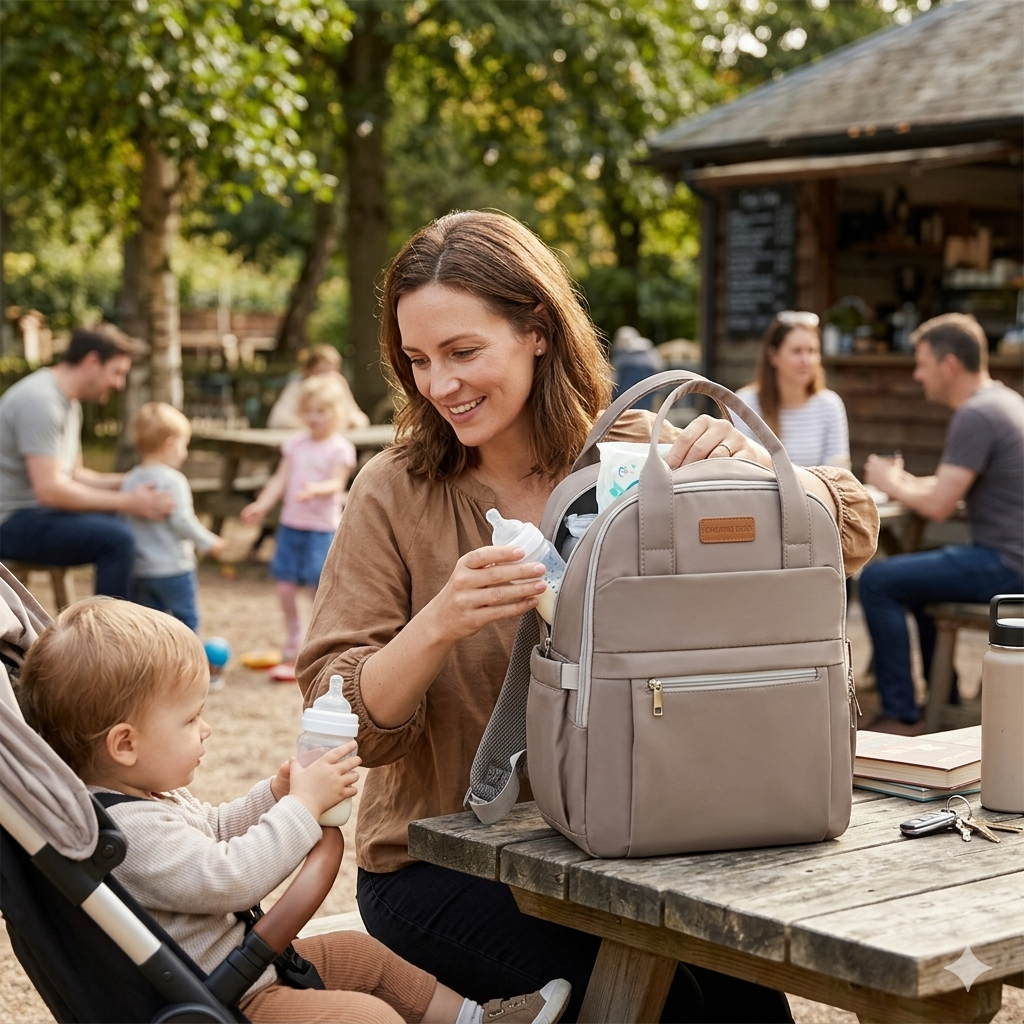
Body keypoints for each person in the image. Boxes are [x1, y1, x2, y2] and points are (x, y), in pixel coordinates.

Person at [295, 211, 879, 1023]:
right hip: (441, 867)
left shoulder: (635, 453)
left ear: (538, 329)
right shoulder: (393, 490)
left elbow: (852, 530)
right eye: (418, 360)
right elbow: (342, 724)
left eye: (464, 352)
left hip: (639, 841)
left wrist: (754, 472)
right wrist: (439, 623)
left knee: (754, 1006)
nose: (438, 385)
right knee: (684, 1011)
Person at [19, 597, 571, 1024]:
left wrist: (276, 794)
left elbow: (212, 832)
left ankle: (473, 1018)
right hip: (231, 1000)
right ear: (124, 744)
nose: (205, 728)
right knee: (368, 1018)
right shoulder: (126, 830)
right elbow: (228, 877)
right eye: (189, 721)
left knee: (363, 956)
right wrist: (303, 807)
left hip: (251, 972)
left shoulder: (146, 799)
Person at [861, 313, 1024, 735]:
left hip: (1006, 565)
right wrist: (902, 483)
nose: (917, 375)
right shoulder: (1004, 401)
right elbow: (951, 484)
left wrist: (887, 481)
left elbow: (937, 505)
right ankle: (943, 698)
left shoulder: (976, 414)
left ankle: (901, 714)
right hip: (1012, 558)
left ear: (949, 364)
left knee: (877, 581)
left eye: (922, 364)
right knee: (915, 582)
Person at [0, 327, 174, 599]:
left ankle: (142, 619)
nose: (119, 384)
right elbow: (50, 491)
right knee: (117, 540)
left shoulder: (69, 403)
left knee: (122, 523)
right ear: (93, 362)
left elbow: (75, 475)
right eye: (116, 372)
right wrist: (130, 501)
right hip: (9, 522)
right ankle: (109, 637)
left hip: (34, 514)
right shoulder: (41, 401)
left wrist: (141, 478)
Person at [242, 376, 357, 673]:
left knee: (317, 587)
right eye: (309, 411)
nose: (314, 417)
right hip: (291, 525)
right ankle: (294, 635)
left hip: (321, 529)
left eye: (321, 411)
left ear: (336, 413)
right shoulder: (294, 445)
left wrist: (315, 490)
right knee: (284, 585)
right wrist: (261, 505)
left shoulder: (339, 448)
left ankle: (319, 638)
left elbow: (337, 482)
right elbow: (280, 480)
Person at [121, 403, 226, 634]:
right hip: (174, 569)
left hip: (142, 570)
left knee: (149, 628)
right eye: (184, 445)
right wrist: (208, 542)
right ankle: (190, 669)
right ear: (170, 445)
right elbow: (182, 520)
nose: (185, 453)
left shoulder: (130, 480)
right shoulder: (173, 480)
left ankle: (154, 669)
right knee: (186, 623)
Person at [733, 311, 850, 468]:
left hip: (815, 493)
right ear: (773, 356)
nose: (806, 360)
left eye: (812, 351)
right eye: (797, 351)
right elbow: (740, 468)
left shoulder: (830, 405)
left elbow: (838, 472)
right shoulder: (743, 404)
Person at [267, 344, 369, 431]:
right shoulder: (296, 389)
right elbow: (277, 420)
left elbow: (361, 420)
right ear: (308, 371)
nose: (326, 378)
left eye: (331, 373)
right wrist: (313, 425)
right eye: (322, 372)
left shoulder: (337, 389)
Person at [609, 326, 664, 411]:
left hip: (624, 405)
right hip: (647, 404)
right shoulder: (651, 355)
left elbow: (614, 381)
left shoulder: (621, 358)